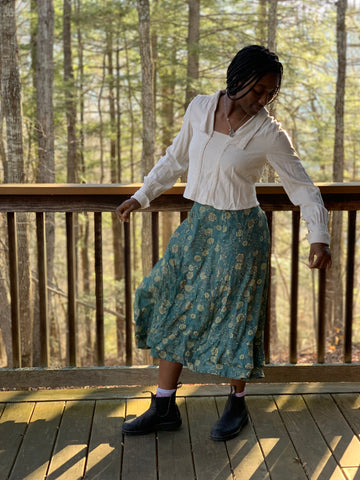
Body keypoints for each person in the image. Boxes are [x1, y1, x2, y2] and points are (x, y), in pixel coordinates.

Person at [116, 45, 332, 441]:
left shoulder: (269, 133)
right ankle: (164, 406)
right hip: (199, 224)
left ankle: (236, 403)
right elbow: (175, 158)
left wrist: (319, 237)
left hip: (241, 233)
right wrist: (142, 195)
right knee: (168, 298)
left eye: (270, 93)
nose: (262, 99)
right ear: (238, 78)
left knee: (235, 315)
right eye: (257, 90)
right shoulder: (200, 108)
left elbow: (302, 187)